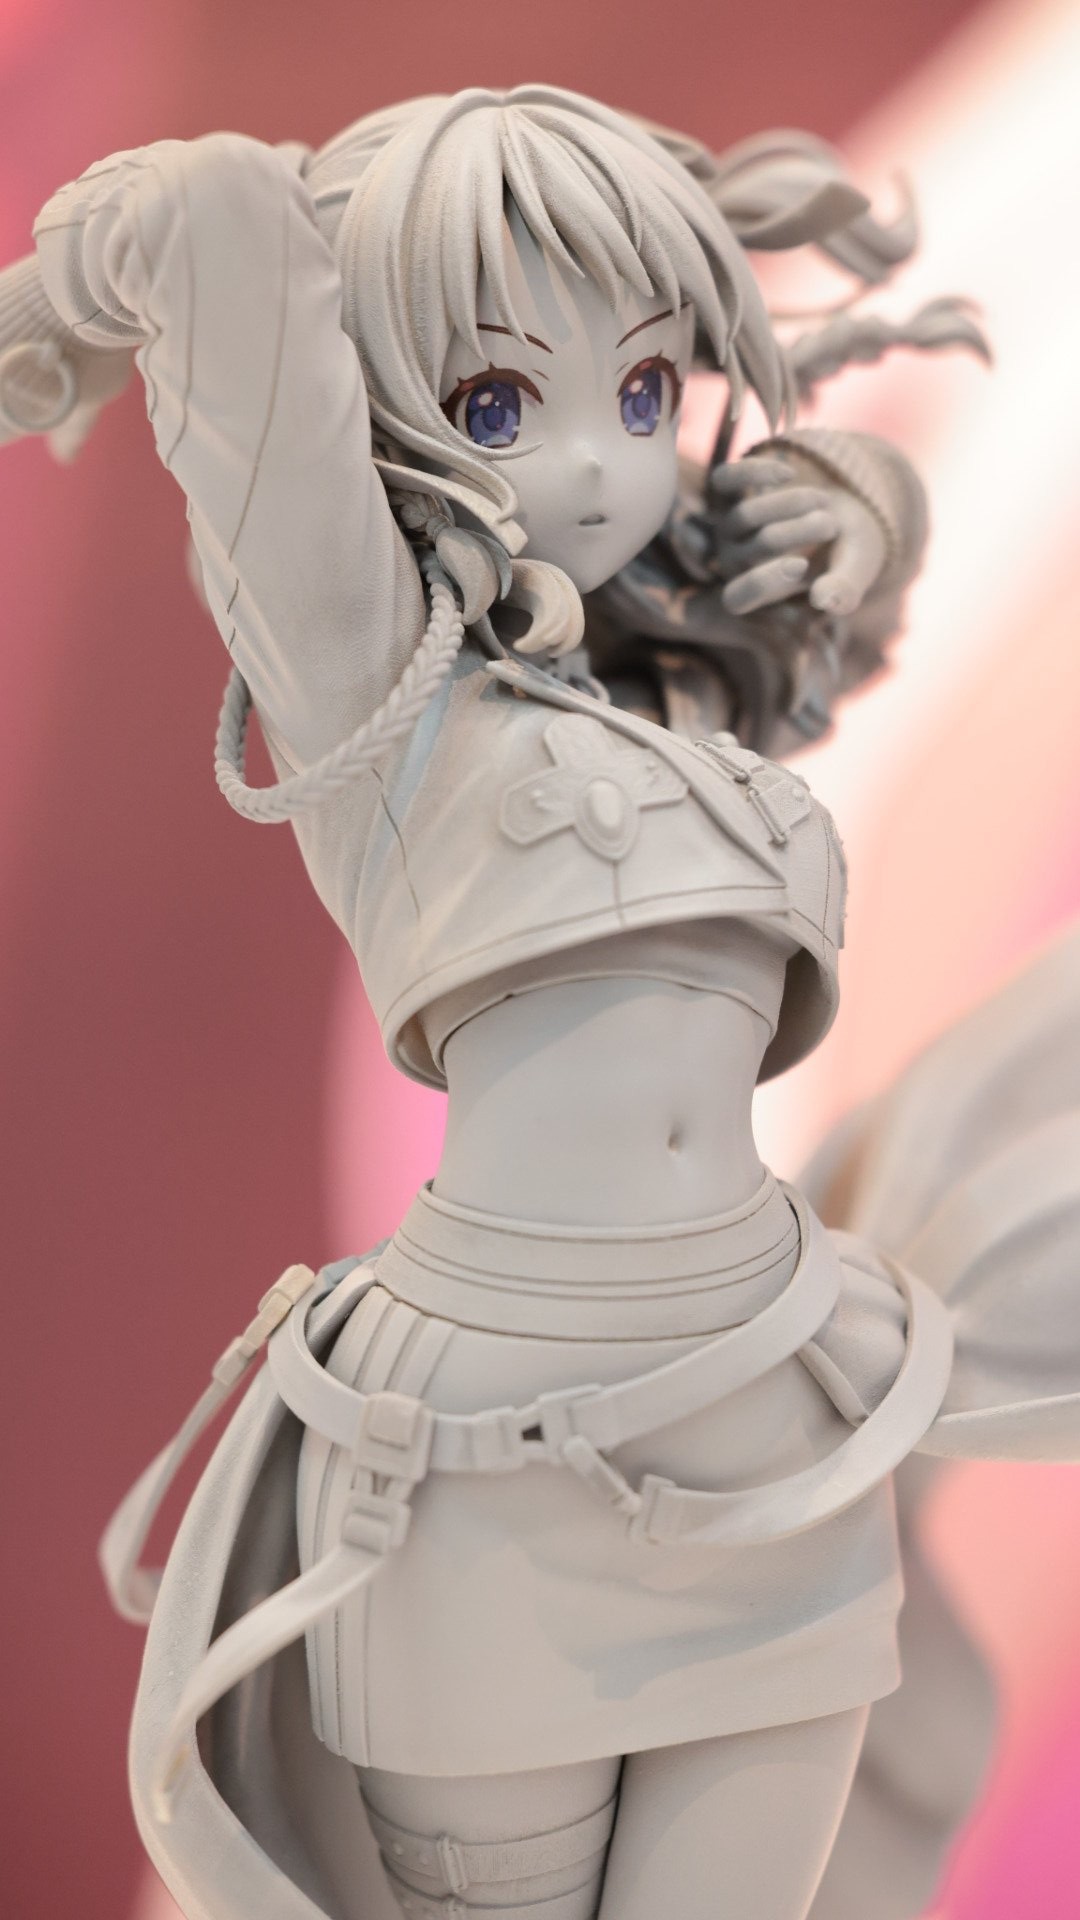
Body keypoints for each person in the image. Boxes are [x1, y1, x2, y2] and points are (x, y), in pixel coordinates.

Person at [2, 85, 1075, 1920]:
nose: (593, 465)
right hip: (511, 1449)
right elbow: (230, 259)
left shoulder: (683, 708)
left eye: (643, 393)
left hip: (775, 1436)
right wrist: (89, 289)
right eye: (500, 405)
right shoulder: (381, 708)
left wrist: (858, 523)